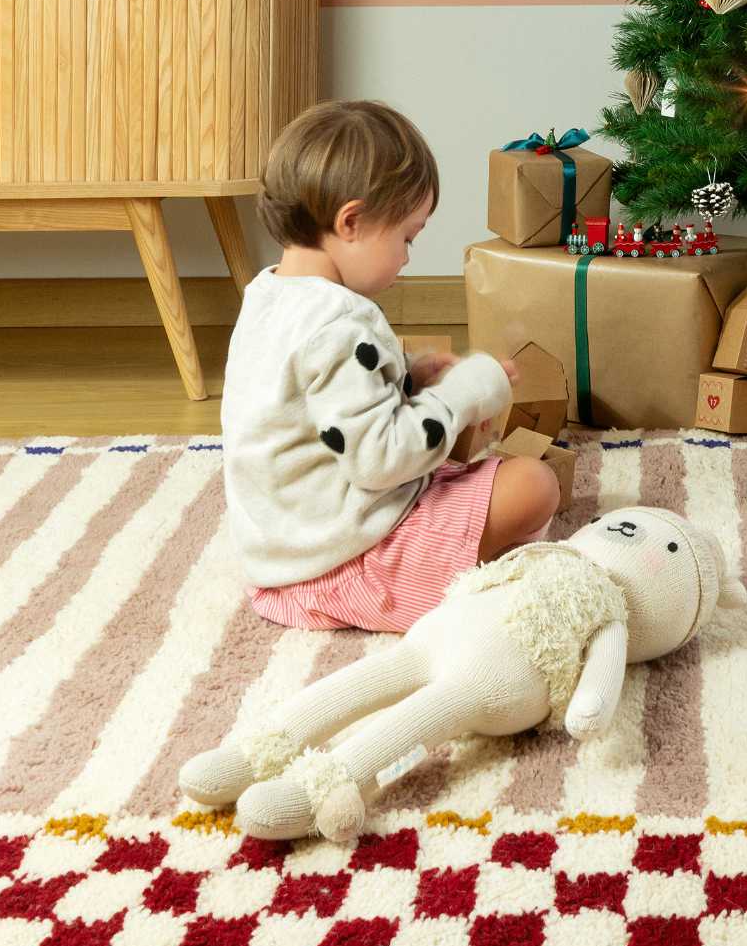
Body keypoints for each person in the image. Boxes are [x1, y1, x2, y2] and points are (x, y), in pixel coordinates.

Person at [221, 98, 559, 634]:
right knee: (532, 486)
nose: (407, 257)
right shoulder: (338, 326)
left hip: (285, 548)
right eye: (406, 237)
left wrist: (410, 376)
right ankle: (434, 581)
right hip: (345, 562)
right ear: (350, 221)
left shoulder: (268, 293)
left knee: (479, 478)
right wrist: (466, 392)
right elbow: (380, 459)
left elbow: (314, 407)